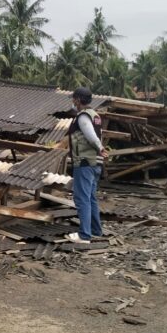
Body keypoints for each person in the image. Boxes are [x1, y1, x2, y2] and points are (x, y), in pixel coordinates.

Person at [64, 87, 107, 244]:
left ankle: (84, 235)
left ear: (78, 100)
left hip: (84, 162)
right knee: (90, 197)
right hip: (95, 162)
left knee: (82, 198)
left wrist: (100, 148)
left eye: (74, 99)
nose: (73, 102)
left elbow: (90, 135)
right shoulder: (95, 115)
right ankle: (95, 230)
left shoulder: (82, 117)